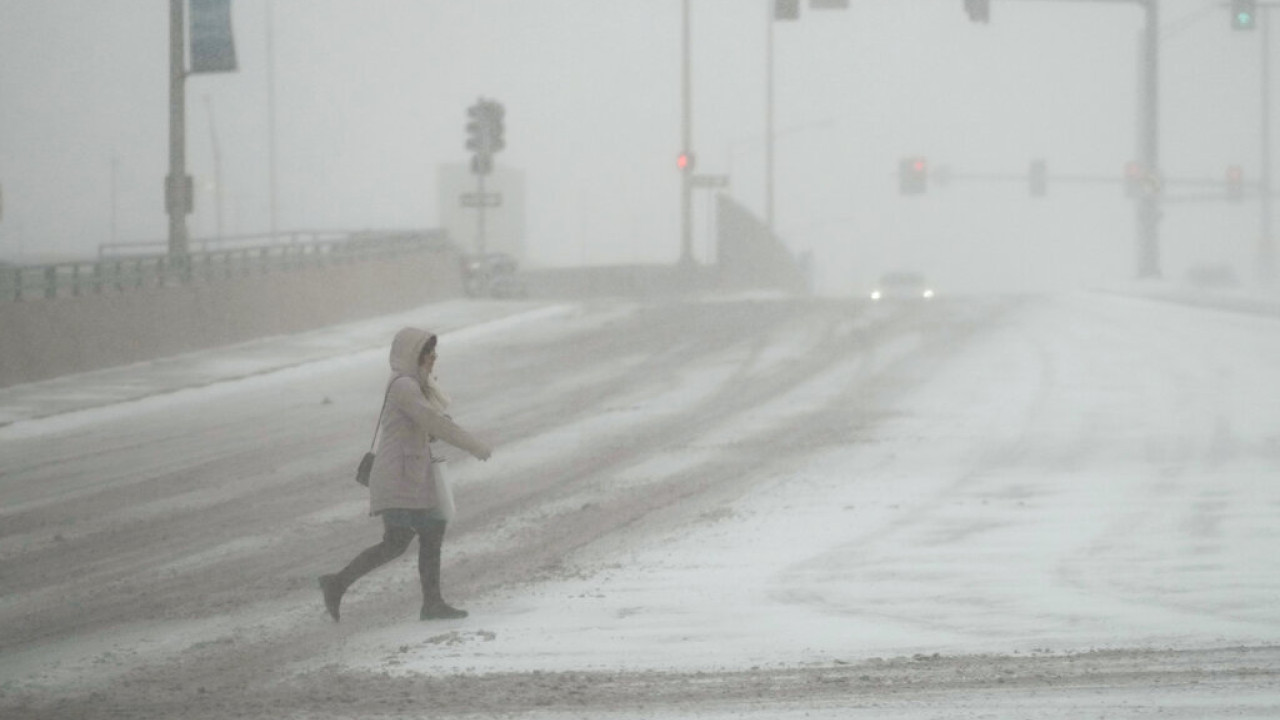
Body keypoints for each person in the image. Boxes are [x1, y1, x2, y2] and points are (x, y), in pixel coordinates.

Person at [320, 327, 492, 621]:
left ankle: (432, 603)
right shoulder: (404, 387)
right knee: (397, 541)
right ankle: (336, 583)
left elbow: (424, 425)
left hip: (410, 475)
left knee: (432, 530)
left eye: (434, 352)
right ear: (414, 354)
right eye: (428, 352)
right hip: (396, 477)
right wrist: (473, 445)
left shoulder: (415, 385)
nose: (433, 357)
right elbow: (432, 421)